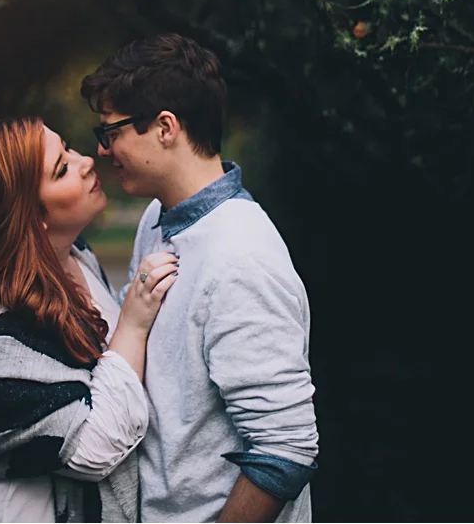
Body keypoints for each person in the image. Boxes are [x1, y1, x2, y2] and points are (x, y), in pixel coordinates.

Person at [81, 34, 319, 523]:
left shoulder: (240, 257)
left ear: (165, 127)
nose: (103, 151)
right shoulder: (156, 218)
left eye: (111, 132)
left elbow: (285, 448)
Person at [0, 117, 179, 523]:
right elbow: (95, 448)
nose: (86, 162)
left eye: (69, 149)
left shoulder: (76, 257)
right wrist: (133, 321)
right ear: (29, 215)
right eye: (62, 169)